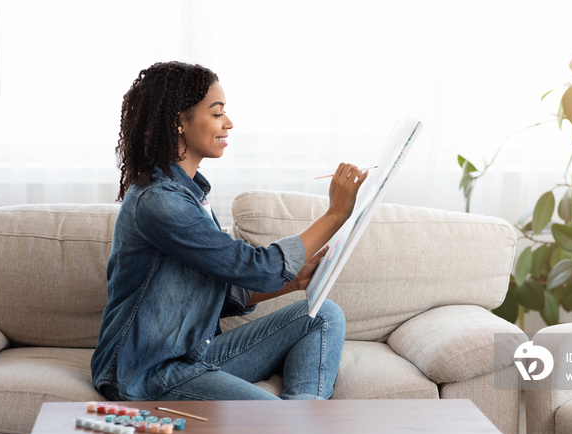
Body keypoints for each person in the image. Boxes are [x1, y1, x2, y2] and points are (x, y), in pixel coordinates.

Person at [91, 61, 368, 401]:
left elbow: (220, 293)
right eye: (217, 113)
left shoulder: (190, 193)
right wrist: (336, 214)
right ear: (180, 121)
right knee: (277, 422)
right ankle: (298, 427)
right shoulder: (159, 203)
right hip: (149, 372)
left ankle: (302, 418)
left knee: (323, 314)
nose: (229, 123)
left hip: (196, 355)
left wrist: (295, 282)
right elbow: (257, 268)